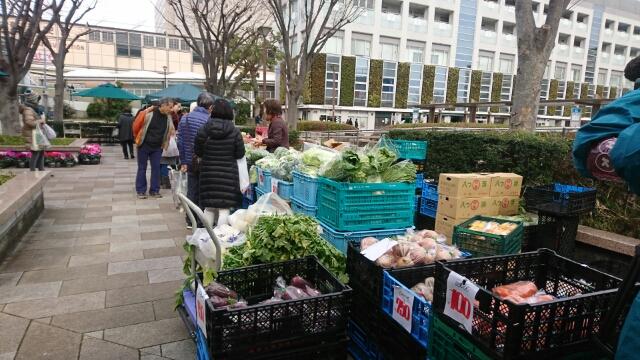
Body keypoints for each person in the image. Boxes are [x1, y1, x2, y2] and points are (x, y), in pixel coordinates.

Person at [193, 98, 245, 227]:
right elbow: (240, 154)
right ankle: (220, 239)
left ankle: (206, 237)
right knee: (224, 209)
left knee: (209, 208)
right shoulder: (234, 131)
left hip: (208, 173)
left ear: (213, 111)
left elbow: (198, 152)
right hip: (228, 175)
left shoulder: (203, 130)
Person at [177, 93, 214, 228]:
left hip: (189, 161)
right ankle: (200, 220)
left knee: (191, 190)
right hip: (204, 161)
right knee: (203, 190)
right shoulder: (209, 120)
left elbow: (180, 142)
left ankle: (189, 219)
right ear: (210, 107)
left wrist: (183, 161)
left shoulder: (185, 119)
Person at [132, 97, 175, 199]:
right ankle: (141, 191)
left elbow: (170, 130)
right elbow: (135, 127)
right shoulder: (148, 114)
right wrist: (138, 139)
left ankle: (154, 190)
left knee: (156, 168)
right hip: (144, 145)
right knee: (142, 168)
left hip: (157, 147)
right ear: (163, 105)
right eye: (170, 107)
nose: (171, 109)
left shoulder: (168, 117)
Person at [20, 97, 46, 171]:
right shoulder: (28, 110)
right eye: (37, 100)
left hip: (37, 133)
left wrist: (42, 119)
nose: (38, 101)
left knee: (41, 151)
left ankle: (41, 169)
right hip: (32, 134)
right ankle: (32, 171)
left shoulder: (35, 109)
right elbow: (29, 122)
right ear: (33, 100)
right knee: (36, 152)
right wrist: (41, 121)